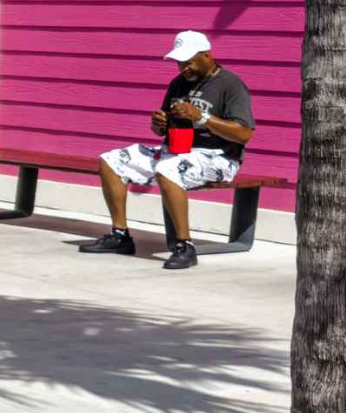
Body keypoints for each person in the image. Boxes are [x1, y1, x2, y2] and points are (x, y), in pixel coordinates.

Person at [79, 30, 256, 269]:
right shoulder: (178, 83)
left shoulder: (230, 84)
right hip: (176, 149)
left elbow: (244, 133)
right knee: (111, 160)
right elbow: (162, 129)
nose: (184, 68)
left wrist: (202, 117)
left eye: (189, 62)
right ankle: (120, 235)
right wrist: (158, 124)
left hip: (219, 158)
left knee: (167, 168)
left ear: (206, 55)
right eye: (180, 62)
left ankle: (185, 246)